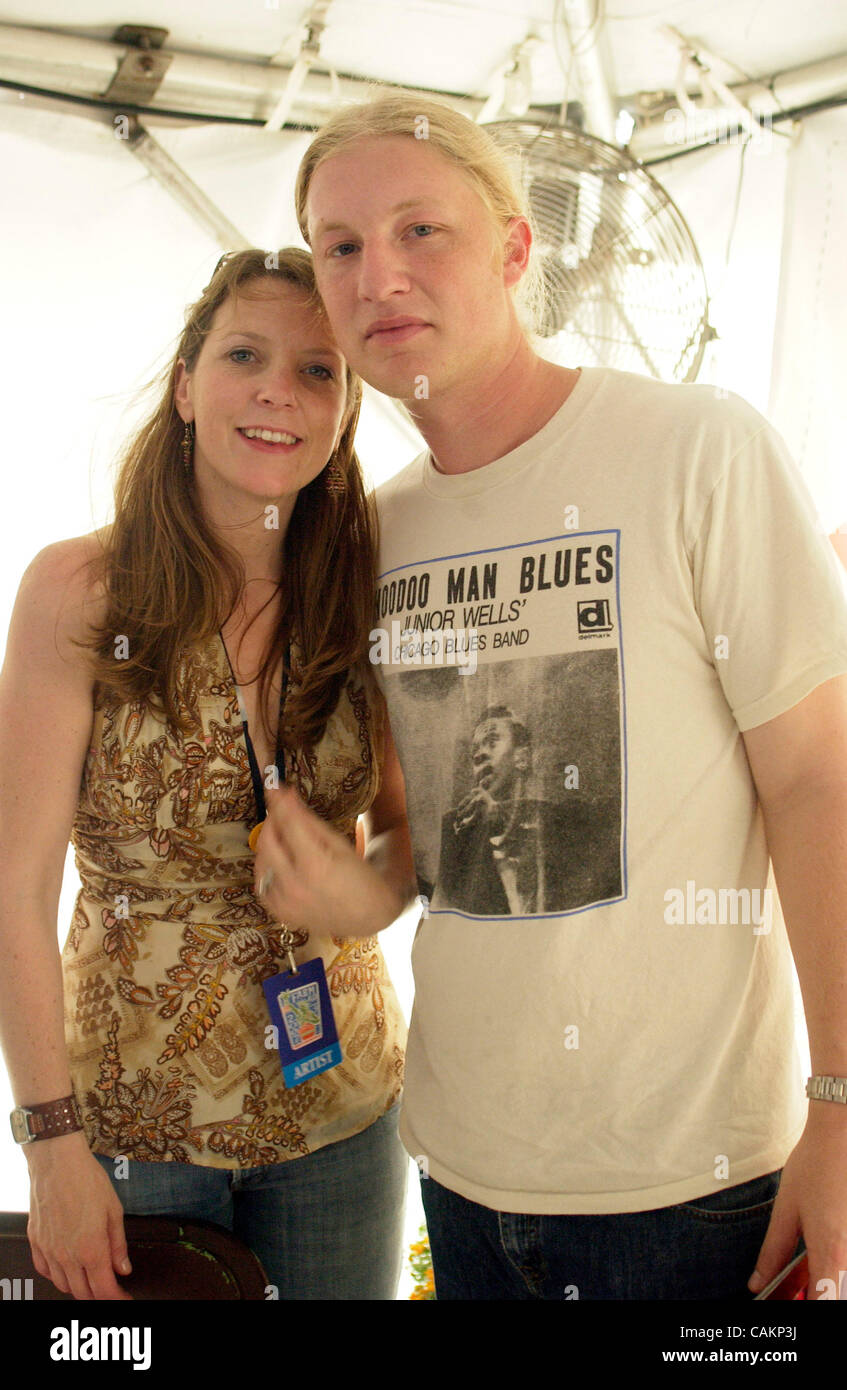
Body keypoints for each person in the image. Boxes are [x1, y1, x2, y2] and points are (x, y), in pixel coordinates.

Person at [250, 91, 847, 1302]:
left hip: (694, 1184)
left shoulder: (697, 448)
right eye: (343, 244)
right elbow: (428, 840)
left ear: (517, 248)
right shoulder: (377, 531)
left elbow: (817, 778)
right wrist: (354, 891)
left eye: (424, 230)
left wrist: (839, 1103)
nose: (380, 276)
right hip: (462, 1168)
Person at [0, 247, 412, 1301]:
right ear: (187, 386)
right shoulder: (81, 589)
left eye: (318, 370)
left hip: (345, 1111)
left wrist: (368, 892)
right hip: (138, 1128)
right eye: (244, 355)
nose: (279, 390)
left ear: (346, 409)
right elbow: (16, 883)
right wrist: (50, 1147)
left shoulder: (372, 585)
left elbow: (410, 840)